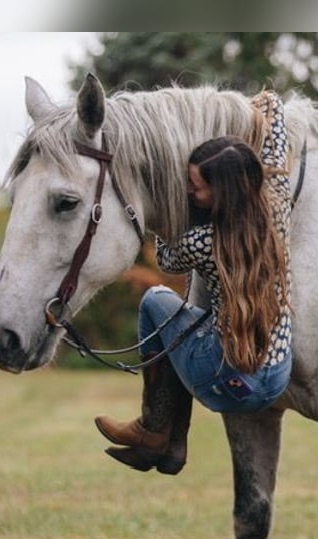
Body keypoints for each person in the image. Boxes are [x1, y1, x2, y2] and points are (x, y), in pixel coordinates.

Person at [94, 91, 293, 473]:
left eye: (195, 186)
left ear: (222, 193)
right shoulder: (278, 207)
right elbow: (275, 139)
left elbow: (166, 258)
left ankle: (158, 430)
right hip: (275, 377)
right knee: (197, 321)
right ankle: (168, 442)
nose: (189, 190)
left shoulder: (204, 242)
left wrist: (165, 211)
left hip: (227, 382)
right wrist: (269, 105)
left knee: (155, 301)